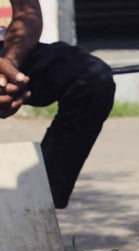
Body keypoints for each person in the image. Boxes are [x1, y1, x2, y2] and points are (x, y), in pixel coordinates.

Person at [0, 0, 115, 208]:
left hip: (4, 49)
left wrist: (11, 64)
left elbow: (27, 11)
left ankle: (37, 202)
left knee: (91, 78)